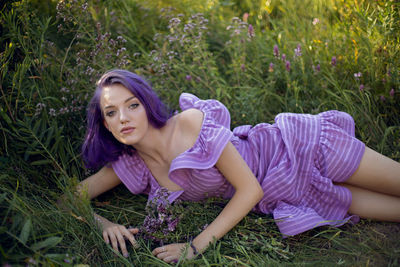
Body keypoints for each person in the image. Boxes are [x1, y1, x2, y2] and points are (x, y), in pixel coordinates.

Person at [76, 69, 400, 263]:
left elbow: (250, 189)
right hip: (288, 192)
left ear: (146, 104)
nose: (124, 118)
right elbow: (69, 198)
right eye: (112, 112)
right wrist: (104, 224)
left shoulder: (189, 124)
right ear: (104, 123)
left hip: (300, 148)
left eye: (132, 105)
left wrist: (194, 247)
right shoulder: (131, 164)